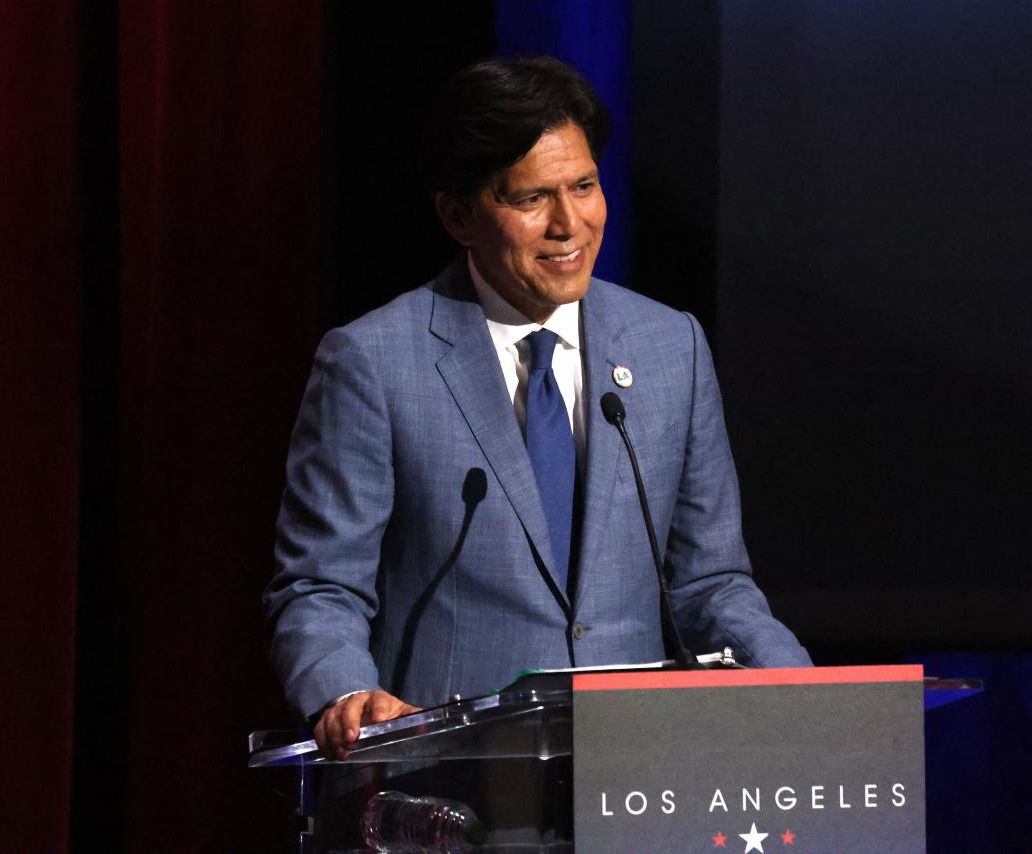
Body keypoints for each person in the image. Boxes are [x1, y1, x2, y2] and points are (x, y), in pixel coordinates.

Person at [264, 55, 810, 761]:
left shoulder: (670, 345)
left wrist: (802, 690)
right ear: (459, 216)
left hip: (638, 773)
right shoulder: (373, 362)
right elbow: (319, 585)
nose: (569, 223)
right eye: (531, 199)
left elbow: (710, 582)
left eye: (584, 186)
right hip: (448, 782)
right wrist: (344, 693)